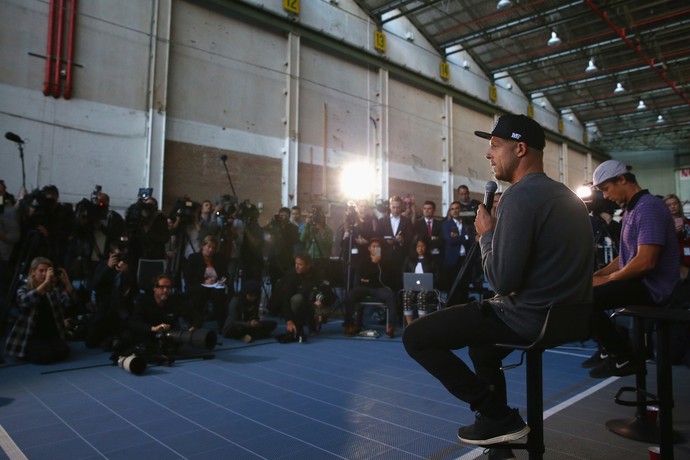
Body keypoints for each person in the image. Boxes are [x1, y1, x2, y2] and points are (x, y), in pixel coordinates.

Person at [403, 114, 593, 452]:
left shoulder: (519, 197)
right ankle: (497, 436)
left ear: (519, 149)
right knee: (482, 346)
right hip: (570, 317)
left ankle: (496, 414)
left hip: (528, 318)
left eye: (494, 146)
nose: (488, 155)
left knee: (416, 336)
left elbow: (502, 281)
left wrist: (486, 235)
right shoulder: (567, 196)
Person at [582, 161, 679, 378]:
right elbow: (627, 256)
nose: (606, 196)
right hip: (640, 283)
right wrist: (600, 274)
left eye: (607, 189)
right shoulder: (633, 209)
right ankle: (610, 351)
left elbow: (645, 262)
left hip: (653, 289)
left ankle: (622, 356)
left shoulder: (648, 208)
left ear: (622, 180)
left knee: (582, 299)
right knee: (581, 291)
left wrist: (607, 281)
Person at [4, 257, 75, 364]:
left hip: (49, 332)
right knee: (45, 357)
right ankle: (25, 352)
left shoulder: (52, 290)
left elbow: (67, 303)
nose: (44, 274)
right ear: (33, 272)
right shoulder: (24, 288)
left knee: (62, 353)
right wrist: (45, 283)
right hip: (31, 334)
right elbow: (24, 301)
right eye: (41, 271)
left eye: (46, 271)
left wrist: (67, 283)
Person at [343, 238, 399, 338]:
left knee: (391, 296)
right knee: (351, 294)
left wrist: (378, 264)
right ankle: (349, 324)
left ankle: (391, 326)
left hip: (379, 289)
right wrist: (372, 267)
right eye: (374, 247)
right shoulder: (363, 261)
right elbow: (362, 277)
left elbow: (387, 279)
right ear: (369, 248)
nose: (376, 248)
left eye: (378, 247)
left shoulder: (386, 262)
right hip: (365, 289)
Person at [277, 253, 334, 340]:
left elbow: (330, 294)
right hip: (301, 303)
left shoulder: (319, 274)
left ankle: (314, 322)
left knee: (322, 309)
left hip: (316, 304)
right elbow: (286, 299)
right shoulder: (291, 275)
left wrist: (322, 302)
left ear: (308, 265)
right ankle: (299, 324)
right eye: (296, 264)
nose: (297, 266)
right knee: (297, 299)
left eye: (300, 264)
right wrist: (289, 321)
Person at [184, 235, 230, 331]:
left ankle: (223, 324)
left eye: (213, 248)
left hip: (215, 286)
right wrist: (203, 281)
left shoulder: (219, 258)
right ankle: (195, 323)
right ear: (203, 246)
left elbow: (225, 275)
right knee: (198, 294)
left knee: (219, 295)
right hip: (198, 285)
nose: (210, 250)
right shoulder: (193, 258)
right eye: (208, 247)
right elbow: (189, 276)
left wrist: (218, 280)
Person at [441, 200, 476, 303]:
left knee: (464, 285)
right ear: (450, 211)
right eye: (452, 209)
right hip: (452, 261)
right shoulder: (446, 224)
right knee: (452, 286)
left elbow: (473, 239)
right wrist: (465, 237)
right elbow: (450, 240)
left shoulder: (468, 224)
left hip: (465, 259)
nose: (455, 211)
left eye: (457, 208)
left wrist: (461, 238)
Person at [401, 235, 440, 325]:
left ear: (426, 247)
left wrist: (431, 284)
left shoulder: (431, 260)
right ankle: (409, 325)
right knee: (406, 296)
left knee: (421, 296)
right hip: (412, 288)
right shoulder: (409, 259)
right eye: (418, 246)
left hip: (428, 290)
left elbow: (437, 276)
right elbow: (403, 275)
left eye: (422, 246)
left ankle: (420, 325)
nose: (420, 249)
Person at [663, 193, 690, 280]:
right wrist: (672, 233)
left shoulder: (688, 221)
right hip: (673, 259)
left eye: (675, 203)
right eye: (669, 205)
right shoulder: (663, 224)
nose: (673, 206)